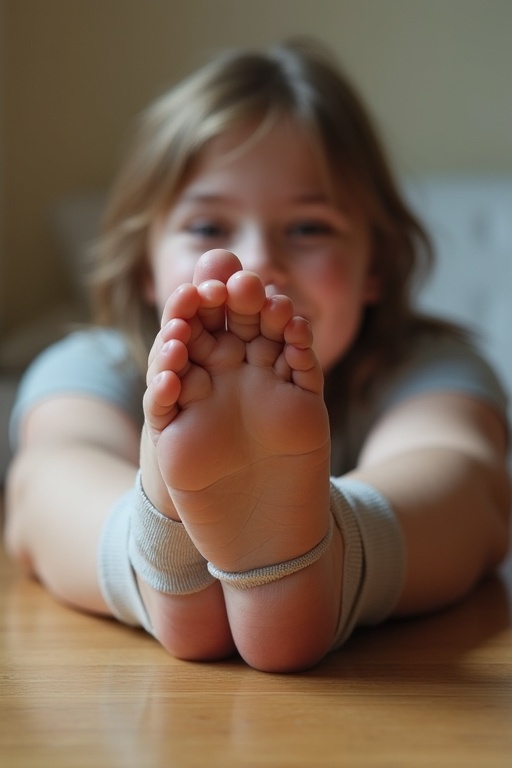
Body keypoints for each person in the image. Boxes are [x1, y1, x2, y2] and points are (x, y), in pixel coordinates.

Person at [4, 40, 510, 673]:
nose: (259, 260)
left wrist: (319, 539)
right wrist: (164, 537)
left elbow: (471, 483)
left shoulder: (424, 366)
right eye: (209, 228)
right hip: (143, 528)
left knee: (456, 470)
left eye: (308, 228)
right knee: (55, 470)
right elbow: (42, 483)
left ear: (375, 266)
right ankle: (161, 564)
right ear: (143, 268)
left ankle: (323, 563)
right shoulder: (96, 364)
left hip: (345, 547)